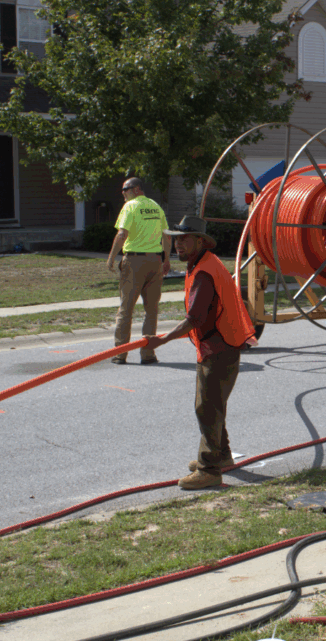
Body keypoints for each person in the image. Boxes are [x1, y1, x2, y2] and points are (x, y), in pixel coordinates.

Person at [144, 215, 257, 490]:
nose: (178, 244)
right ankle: (223, 455)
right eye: (176, 239)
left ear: (201, 241)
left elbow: (193, 318)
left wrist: (161, 340)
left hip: (219, 348)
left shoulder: (204, 272)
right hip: (218, 346)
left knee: (207, 408)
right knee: (213, 405)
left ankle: (209, 469)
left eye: (184, 239)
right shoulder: (203, 264)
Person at [106, 177, 171, 365]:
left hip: (134, 261)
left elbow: (121, 234)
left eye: (125, 189)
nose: (123, 193)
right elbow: (166, 236)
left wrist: (111, 258)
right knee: (151, 310)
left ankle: (120, 353)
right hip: (155, 261)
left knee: (126, 309)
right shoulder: (156, 207)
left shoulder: (130, 207)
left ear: (135, 189)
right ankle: (148, 354)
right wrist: (166, 259)